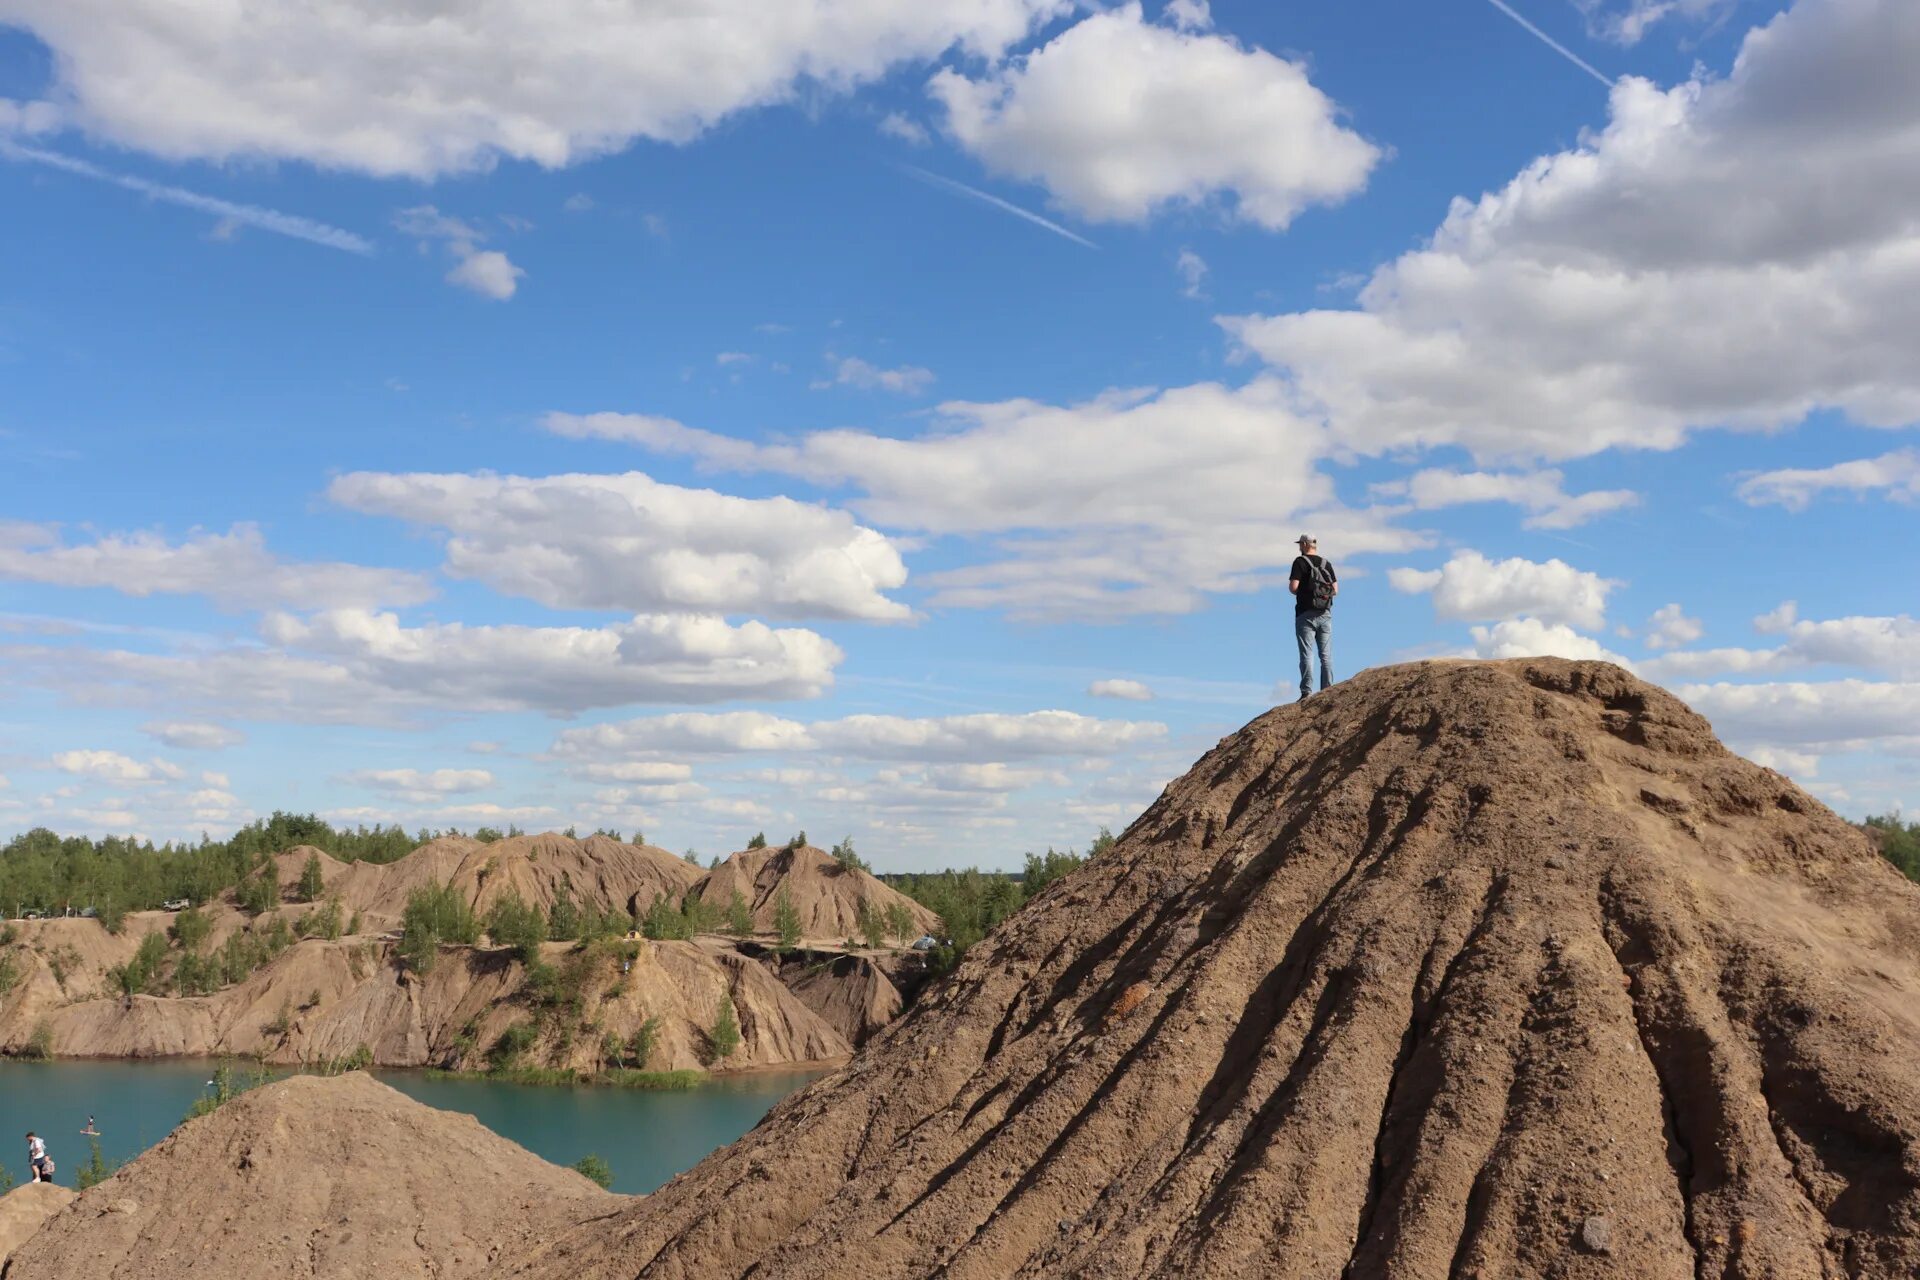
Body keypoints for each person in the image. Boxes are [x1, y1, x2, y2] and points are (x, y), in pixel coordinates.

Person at [1288, 534, 1338, 700]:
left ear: (1304, 544)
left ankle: (1306, 692)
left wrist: (1305, 592)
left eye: (1300, 545)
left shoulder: (1299, 562)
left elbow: (1293, 587)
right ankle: (1327, 689)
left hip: (1305, 614)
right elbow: (1335, 590)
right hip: (1325, 613)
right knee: (1326, 655)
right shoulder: (1326, 563)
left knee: (1307, 654)